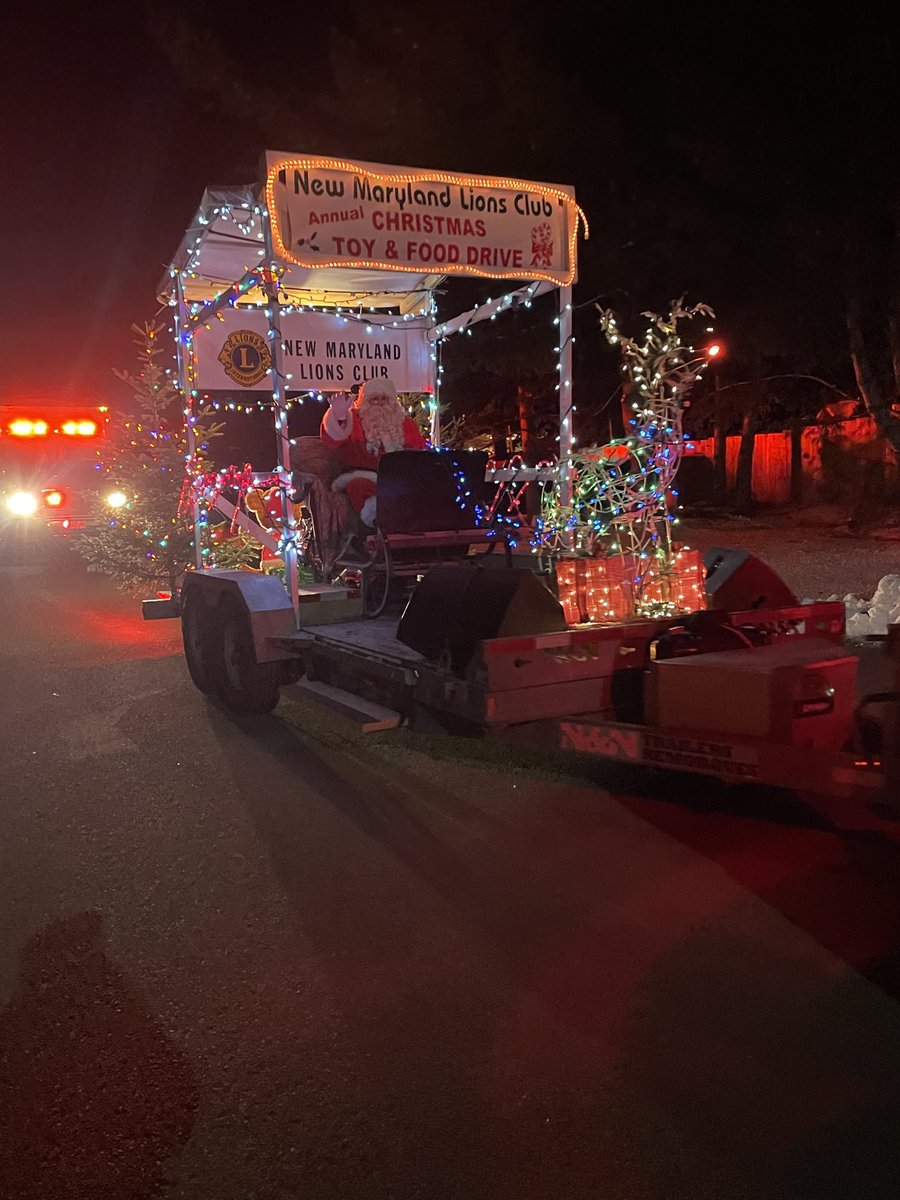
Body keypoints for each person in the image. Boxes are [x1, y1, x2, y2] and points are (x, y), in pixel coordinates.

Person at [320, 378, 426, 541]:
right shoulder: (353, 420)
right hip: (363, 475)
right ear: (364, 400)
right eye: (374, 399)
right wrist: (338, 418)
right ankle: (380, 523)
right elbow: (333, 439)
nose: (379, 404)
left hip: (400, 479)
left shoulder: (407, 424)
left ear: (392, 401)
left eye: (384, 399)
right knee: (358, 486)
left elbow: (421, 454)